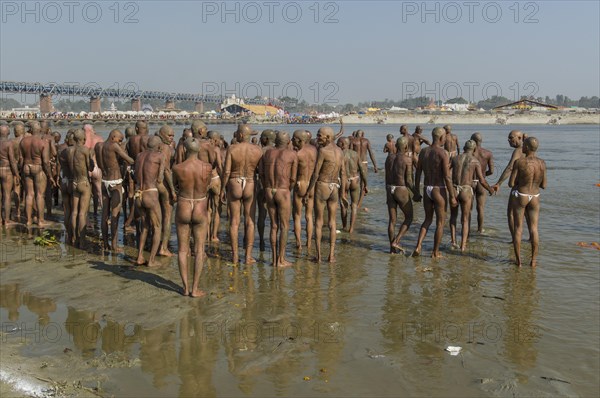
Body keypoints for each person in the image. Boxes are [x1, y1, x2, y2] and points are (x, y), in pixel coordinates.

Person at [173, 137, 212, 297]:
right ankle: (195, 289)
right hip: (200, 205)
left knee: (182, 250)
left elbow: (176, 187)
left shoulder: (177, 168)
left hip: (183, 204)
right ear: (199, 150)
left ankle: (185, 288)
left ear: (184, 149)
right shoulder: (207, 167)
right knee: (199, 249)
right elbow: (207, 185)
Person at [220, 124, 263, 264]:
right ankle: (248, 256)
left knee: (234, 222)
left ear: (240, 135)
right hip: (250, 182)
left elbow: (226, 171)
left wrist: (222, 189)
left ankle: (234, 256)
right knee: (250, 221)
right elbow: (260, 172)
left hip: (235, 182)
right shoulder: (258, 150)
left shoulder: (232, 148)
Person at [412, 127, 457, 258]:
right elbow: (447, 177)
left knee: (427, 219)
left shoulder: (424, 152)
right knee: (440, 223)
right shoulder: (443, 153)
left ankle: (418, 245)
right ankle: (435, 252)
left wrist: (416, 191)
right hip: (439, 189)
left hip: (427, 188)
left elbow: (418, 172)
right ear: (442, 138)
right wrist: (453, 196)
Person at [307, 127, 346, 263]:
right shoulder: (340, 151)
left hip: (322, 185)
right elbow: (343, 173)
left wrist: (308, 192)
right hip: (335, 187)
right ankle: (331, 255)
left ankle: (318, 256)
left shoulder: (323, 151)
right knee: (332, 222)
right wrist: (343, 194)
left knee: (318, 221)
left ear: (328, 138)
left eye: (320, 136)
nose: (318, 138)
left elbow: (316, 173)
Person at [259, 131, 298, 267]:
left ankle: (274, 260)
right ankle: (281, 260)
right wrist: (288, 190)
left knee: (273, 226)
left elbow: (262, 174)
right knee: (284, 226)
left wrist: (266, 188)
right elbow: (293, 178)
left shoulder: (267, 153)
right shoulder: (292, 154)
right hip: (283, 191)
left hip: (269, 190)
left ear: (275, 141)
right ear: (288, 142)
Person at [449, 140, 494, 252]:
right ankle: (463, 246)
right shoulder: (475, 161)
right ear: (474, 150)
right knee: (465, 219)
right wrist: (490, 189)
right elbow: (482, 180)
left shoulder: (455, 158)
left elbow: (446, 173)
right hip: (466, 190)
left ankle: (454, 242)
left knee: (453, 217)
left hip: (454, 188)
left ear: (464, 148)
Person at [508, 137, 546, 267]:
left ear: (528, 148)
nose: (522, 147)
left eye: (524, 145)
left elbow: (511, 183)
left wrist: (521, 181)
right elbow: (544, 185)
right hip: (535, 196)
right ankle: (533, 261)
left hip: (522, 195)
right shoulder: (542, 163)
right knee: (534, 229)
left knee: (518, 228)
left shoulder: (519, 162)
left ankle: (518, 262)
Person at [99, 129, 134, 252]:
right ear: (113, 137)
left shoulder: (99, 145)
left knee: (104, 214)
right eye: (120, 140)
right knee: (115, 215)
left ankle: (105, 243)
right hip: (115, 183)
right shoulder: (114, 146)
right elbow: (129, 160)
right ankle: (114, 245)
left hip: (104, 181)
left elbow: (100, 164)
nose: (120, 143)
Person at [134, 136, 166, 267]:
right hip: (150, 193)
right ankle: (151, 260)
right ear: (159, 146)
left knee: (145, 227)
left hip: (138, 195)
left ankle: (140, 256)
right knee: (157, 227)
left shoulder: (139, 155)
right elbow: (160, 178)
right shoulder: (160, 156)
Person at [20, 121, 55, 226]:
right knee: (40, 195)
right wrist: (50, 175)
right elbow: (45, 162)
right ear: (39, 130)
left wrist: (20, 171)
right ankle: (40, 220)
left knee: (29, 195)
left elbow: (21, 159)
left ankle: (28, 220)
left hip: (26, 167)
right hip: (38, 168)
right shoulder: (43, 142)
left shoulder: (23, 141)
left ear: (30, 130)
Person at [492, 130, 526, 241]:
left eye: (511, 138)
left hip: (518, 188)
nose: (509, 140)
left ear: (519, 138)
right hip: (532, 191)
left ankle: (514, 240)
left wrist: (499, 183)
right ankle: (530, 240)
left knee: (511, 214)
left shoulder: (518, 151)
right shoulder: (531, 150)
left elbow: (510, 168)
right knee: (530, 219)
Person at [385, 137, 416, 253]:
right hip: (401, 190)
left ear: (396, 146)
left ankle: (391, 249)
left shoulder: (389, 158)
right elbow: (408, 181)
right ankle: (396, 241)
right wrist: (416, 193)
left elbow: (386, 178)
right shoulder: (407, 159)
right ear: (406, 147)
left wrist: (387, 192)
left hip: (389, 189)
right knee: (409, 217)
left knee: (392, 220)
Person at [292, 129, 317, 252]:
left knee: (297, 216)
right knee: (309, 216)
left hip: (300, 184)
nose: (292, 141)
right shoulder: (314, 150)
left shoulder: (297, 154)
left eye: (294, 139)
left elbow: (293, 173)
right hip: (311, 185)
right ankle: (308, 243)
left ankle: (298, 243)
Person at [68, 129, 94, 248]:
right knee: (82, 214)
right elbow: (90, 168)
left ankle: (73, 238)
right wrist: (91, 157)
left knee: (74, 212)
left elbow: (71, 167)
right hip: (84, 182)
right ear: (83, 139)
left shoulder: (69, 150)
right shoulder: (84, 150)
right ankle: (82, 242)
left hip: (74, 182)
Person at [155, 125, 177, 257]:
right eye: (169, 136)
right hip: (163, 184)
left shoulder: (154, 146)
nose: (171, 138)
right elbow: (167, 170)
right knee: (168, 216)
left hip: (152, 185)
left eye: (173, 136)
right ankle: (163, 247)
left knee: (156, 215)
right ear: (162, 135)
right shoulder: (166, 149)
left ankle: (155, 243)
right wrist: (173, 190)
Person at [338, 137, 366, 233]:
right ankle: (351, 228)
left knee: (343, 204)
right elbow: (362, 170)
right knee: (354, 205)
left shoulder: (340, 154)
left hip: (344, 181)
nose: (337, 144)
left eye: (338, 143)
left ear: (342, 144)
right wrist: (365, 184)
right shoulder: (355, 154)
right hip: (355, 180)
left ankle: (344, 226)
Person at [471, 132, 495, 233]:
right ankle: (480, 230)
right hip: (482, 182)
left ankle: (466, 230)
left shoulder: (469, 153)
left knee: (468, 208)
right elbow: (492, 171)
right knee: (480, 208)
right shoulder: (488, 153)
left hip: (470, 182)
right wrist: (483, 175)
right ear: (481, 141)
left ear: (472, 141)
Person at [257, 129, 275, 251]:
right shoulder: (278, 152)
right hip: (275, 185)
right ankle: (274, 243)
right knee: (275, 216)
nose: (260, 139)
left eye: (262, 137)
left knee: (262, 214)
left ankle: (262, 240)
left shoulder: (259, 151)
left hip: (261, 185)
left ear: (266, 139)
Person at [352, 130, 377, 208]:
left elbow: (349, 153)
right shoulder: (366, 141)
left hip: (355, 163)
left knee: (354, 181)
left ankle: (353, 202)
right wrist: (375, 165)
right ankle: (359, 204)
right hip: (364, 163)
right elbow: (371, 153)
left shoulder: (353, 141)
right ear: (363, 134)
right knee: (363, 184)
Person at [0, 124, 19, 225]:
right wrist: (16, 174)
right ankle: (7, 220)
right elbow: (12, 160)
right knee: (7, 195)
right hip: (7, 170)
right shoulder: (9, 143)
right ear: (8, 133)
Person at [83, 122, 104, 216]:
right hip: (96, 167)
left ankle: (87, 212)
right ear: (93, 130)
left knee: (86, 192)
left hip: (86, 167)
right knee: (99, 191)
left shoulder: (82, 140)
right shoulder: (99, 138)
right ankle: (102, 212)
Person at [58, 131, 75, 243]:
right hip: (73, 181)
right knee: (75, 210)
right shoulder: (76, 151)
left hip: (64, 180)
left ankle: (68, 234)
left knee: (67, 210)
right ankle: (74, 236)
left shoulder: (61, 151)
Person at [11, 122, 25, 220]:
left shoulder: (11, 142)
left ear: (15, 132)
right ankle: (28, 209)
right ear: (23, 131)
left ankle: (18, 210)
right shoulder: (27, 141)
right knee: (29, 190)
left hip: (14, 166)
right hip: (25, 166)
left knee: (16, 189)